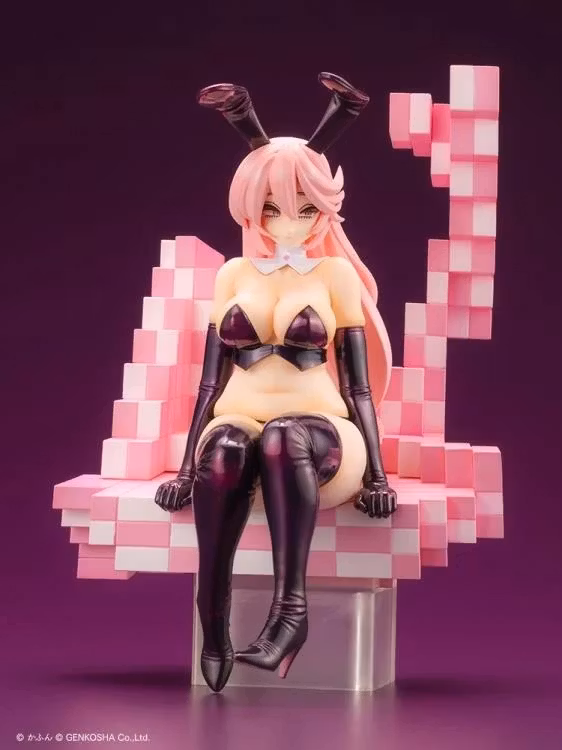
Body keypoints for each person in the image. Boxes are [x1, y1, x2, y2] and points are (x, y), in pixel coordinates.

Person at [155, 73, 397, 693]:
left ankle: (291, 615)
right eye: (271, 206)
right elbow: (208, 385)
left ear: (324, 210)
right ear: (250, 206)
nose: (288, 221)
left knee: (282, 437)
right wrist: (184, 469)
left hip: (322, 436)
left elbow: (358, 387)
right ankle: (213, 622)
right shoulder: (234, 273)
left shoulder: (335, 275)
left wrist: (377, 476)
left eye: (305, 207)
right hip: (239, 419)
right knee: (225, 446)